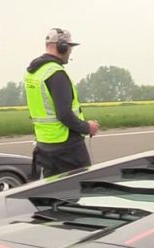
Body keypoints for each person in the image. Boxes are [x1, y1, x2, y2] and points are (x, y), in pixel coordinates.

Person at [24, 27, 99, 178]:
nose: (70, 51)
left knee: (53, 194)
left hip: (44, 144)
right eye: (70, 47)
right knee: (81, 189)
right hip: (66, 147)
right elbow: (64, 114)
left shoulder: (33, 72)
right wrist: (87, 127)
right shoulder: (56, 73)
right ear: (62, 46)